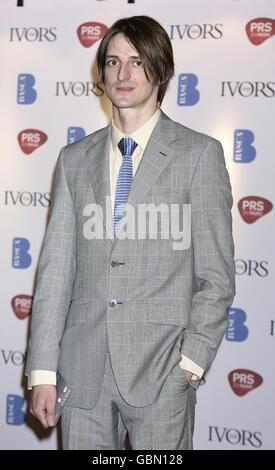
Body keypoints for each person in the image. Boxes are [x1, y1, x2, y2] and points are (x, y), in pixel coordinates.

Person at [26, 15, 235, 450]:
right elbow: (55, 274)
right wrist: (44, 371)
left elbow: (217, 277)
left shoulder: (199, 155)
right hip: (81, 376)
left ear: (160, 71)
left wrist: (191, 364)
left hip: (161, 374)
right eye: (113, 61)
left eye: (137, 62)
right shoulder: (73, 160)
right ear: (100, 72)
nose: (123, 74)